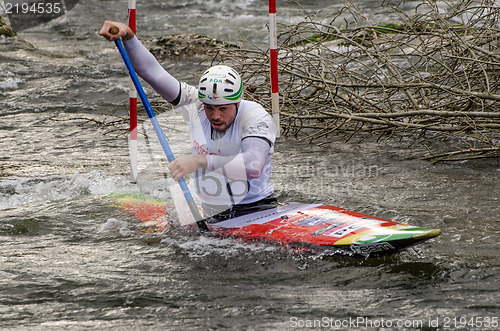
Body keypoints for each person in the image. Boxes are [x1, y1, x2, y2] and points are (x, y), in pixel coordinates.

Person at [99, 21, 277, 223]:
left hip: (256, 211)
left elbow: (253, 166)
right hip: (212, 212)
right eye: (210, 108)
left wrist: (199, 161)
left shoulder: (254, 115)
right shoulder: (196, 105)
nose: (215, 116)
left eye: (223, 109)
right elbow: (153, 73)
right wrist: (129, 36)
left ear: (237, 102)